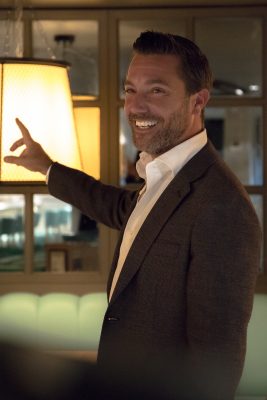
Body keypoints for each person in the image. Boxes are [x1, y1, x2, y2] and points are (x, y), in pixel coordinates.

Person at [4, 31, 261, 399]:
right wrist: (46, 167)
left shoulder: (223, 207)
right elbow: (118, 209)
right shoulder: (164, 175)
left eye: (156, 91)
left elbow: (214, 371)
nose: (136, 107)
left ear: (197, 101)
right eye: (130, 91)